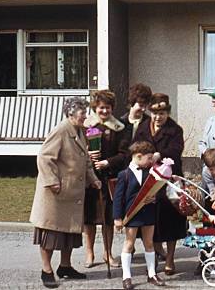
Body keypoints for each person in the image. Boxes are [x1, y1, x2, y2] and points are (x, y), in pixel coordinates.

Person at [29, 97, 101, 289]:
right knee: (50, 233)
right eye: (82, 113)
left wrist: (93, 179)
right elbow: (44, 157)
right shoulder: (61, 130)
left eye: (85, 113)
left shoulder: (79, 131)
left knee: (69, 232)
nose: (85, 116)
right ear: (70, 113)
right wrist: (52, 181)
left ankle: (65, 266)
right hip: (56, 193)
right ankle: (46, 270)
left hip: (72, 193)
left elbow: (85, 160)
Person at [134, 93, 185, 275]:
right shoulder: (142, 127)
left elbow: (176, 150)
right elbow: (135, 148)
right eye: (155, 113)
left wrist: (158, 155)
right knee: (150, 219)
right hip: (147, 180)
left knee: (172, 221)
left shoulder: (175, 130)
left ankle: (170, 258)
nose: (158, 117)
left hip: (169, 181)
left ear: (168, 113)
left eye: (162, 113)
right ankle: (155, 253)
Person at [82, 90, 128, 269]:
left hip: (109, 178)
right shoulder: (86, 126)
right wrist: (88, 154)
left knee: (108, 218)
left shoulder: (119, 128)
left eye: (107, 108)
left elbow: (124, 155)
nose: (104, 111)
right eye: (101, 108)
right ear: (95, 108)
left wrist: (107, 162)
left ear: (112, 108)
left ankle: (108, 253)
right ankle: (89, 253)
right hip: (89, 179)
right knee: (90, 218)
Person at [113, 141, 165, 290]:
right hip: (132, 214)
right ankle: (126, 276)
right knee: (129, 244)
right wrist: (117, 218)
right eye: (149, 158)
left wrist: (155, 198)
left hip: (148, 212)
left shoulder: (150, 172)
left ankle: (152, 274)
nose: (151, 161)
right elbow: (118, 198)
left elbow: (158, 189)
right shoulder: (124, 175)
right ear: (138, 156)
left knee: (149, 243)